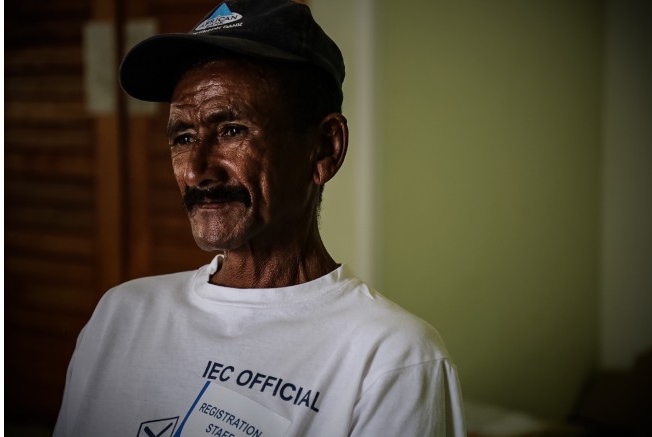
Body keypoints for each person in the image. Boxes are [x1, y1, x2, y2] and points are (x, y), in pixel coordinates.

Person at [53, 1, 466, 436]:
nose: (197, 170)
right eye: (183, 137)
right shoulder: (122, 313)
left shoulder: (391, 357)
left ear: (325, 149)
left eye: (232, 130)